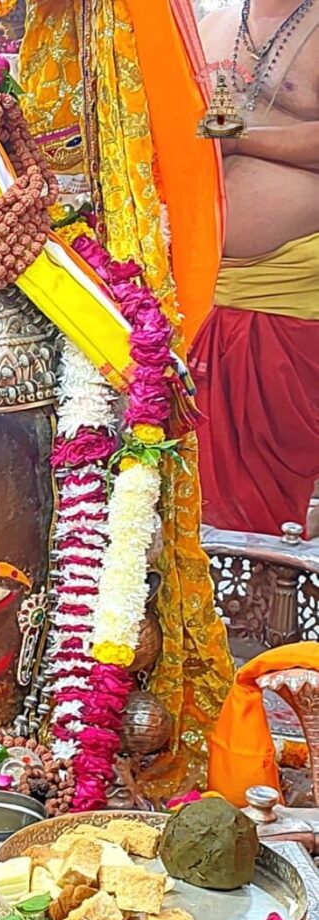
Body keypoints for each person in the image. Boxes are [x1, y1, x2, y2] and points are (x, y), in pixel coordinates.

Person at [192, 0, 319, 535]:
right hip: (202, 293)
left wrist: (241, 139)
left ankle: (278, 611)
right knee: (192, 489)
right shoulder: (208, 24)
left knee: (281, 513)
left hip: (290, 300)